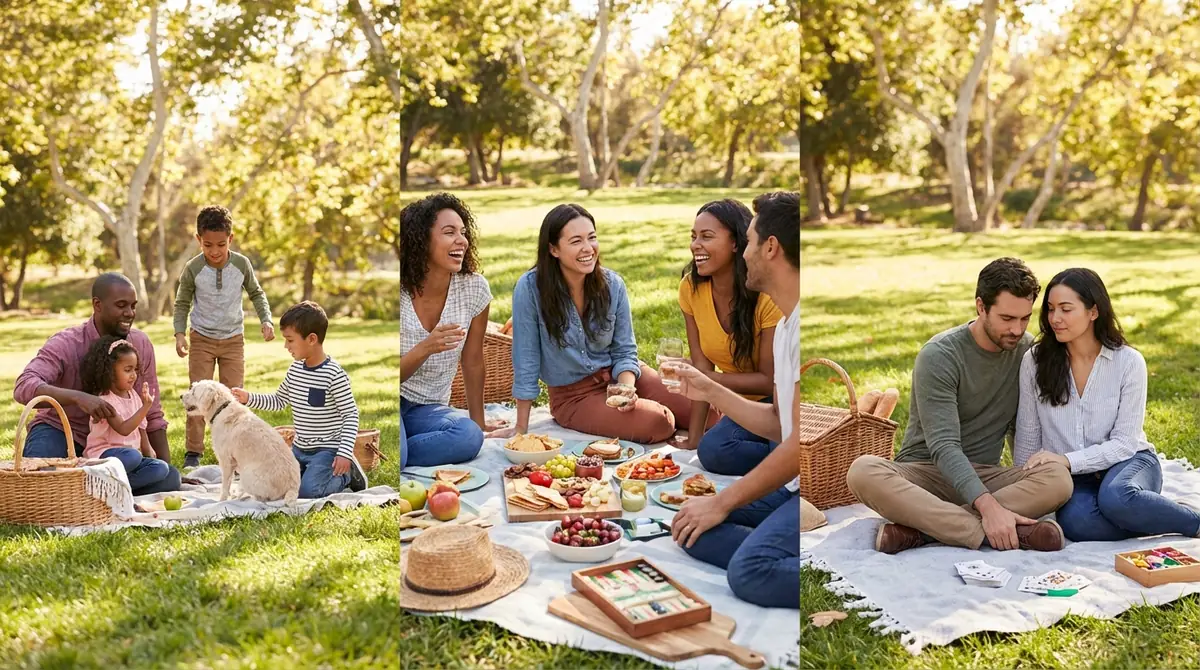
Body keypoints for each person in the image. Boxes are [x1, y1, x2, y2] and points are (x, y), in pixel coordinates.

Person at [846, 258, 1074, 554]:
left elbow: (1024, 427)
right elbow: (944, 446)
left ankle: (924, 532)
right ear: (981, 307)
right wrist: (988, 507)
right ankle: (1000, 531)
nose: (1017, 330)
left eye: (1024, 318)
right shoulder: (940, 355)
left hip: (985, 474)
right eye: (1007, 318)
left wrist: (1009, 487)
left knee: (1058, 478)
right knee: (862, 471)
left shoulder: (1027, 352)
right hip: (927, 475)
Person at [667, 191, 800, 609]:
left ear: (770, 247)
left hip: (799, 482)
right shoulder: (788, 327)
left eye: (749, 240)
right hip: (787, 481)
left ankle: (814, 563)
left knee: (749, 572)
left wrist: (724, 501)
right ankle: (775, 545)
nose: (745, 252)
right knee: (690, 524)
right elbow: (780, 424)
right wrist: (707, 388)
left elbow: (796, 446)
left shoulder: (793, 325)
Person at [1014, 268, 1200, 541]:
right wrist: (1025, 492)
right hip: (1074, 478)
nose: (1055, 318)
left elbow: (1125, 444)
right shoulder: (1034, 362)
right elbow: (1028, 436)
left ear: (1094, 311)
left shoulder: (1129, 362)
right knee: (1077, 523)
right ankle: (1150, 512)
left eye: (1066, 309)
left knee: (1117, 498)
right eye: (1050, 309)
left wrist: (1067, 460)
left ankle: (1191, 521)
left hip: (1130, 462)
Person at [505, 203, 692, 443]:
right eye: (576, 241)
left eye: (592, 238)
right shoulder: (530, 288)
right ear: (553, 249)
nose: (588, 248)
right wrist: (521, 427)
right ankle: (657, 418)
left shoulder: (613, 285)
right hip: (573, 396)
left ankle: (663, 416)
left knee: (705, 413)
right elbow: (526, 360)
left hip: (620, 375)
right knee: (660, 422)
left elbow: (625, 350)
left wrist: (626, 389)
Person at [14, 274, 181, 490]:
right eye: (121, 305)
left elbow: (153, 414)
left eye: (133, 306)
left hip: (114, 447)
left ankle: (89, 489)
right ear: (97, 305)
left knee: (170, 478)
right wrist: (78, 398)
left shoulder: (140, 344)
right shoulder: (66, 343)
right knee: (38, 484)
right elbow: (24, 386)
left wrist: (164, 465)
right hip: (60, 432)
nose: (130, 313)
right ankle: (87, 488)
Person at [676, 199, 782, 475]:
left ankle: (790, 456)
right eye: (694, 236)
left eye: (707, 236)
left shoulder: (766, 295)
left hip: (777, 403)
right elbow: (702, 367)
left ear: (736, 242)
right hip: (736, 405)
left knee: (725, 448)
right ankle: (784, 454)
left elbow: (769, 381)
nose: (695, 245)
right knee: (711, 449)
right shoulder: (691, 289)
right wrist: (694, 438)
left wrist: (708, 381)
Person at [399, 193, 498, 468]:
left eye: (463, 232)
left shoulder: (473, 288)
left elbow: (473, 361)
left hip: (428, 409)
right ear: (421, 240)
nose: (461, 240)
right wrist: (425, 348)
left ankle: (400, 447)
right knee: (401, 455)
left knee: (469, 435)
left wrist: (479, 423)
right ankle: (400, 449)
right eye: (449, 232)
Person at [174, 205, 275, 469]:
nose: (215, 251)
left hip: (233, 340)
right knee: (197, 395)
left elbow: (257, 293)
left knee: (233, 399)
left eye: (221, 244)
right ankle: (193, 452)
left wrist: (266, 319)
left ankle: (236, 452)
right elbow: (182, 302)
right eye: (208, 245)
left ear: (231, 238)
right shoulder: (193, 268)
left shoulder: (241, 264)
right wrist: (179, 334)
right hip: (202, 339)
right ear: (199, 240)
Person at [232, 301, 367, 497]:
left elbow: (351, 415)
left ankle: (346, 476)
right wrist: (248, 398)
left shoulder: (334, 375)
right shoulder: (295, 370)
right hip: (299, 448)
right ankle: (311, 474)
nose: (286, 346)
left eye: (290, 340)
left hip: (326, 450)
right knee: (282, 487)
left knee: (307, 492)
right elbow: (278, 401)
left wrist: (344, 453)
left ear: (311, 339)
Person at [80, 337, 178, 495]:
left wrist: (149, 452)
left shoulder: (134, 395)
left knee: (167, 471)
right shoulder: (105, 401)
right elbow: (123, 429)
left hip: (131, 460)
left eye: (135, 370)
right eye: (128, 370)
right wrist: (146, 407)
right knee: (132, 457)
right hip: (104, 457)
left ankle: (117, 489)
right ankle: (105, 485)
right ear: (111, 372)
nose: (133, 375)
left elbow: (141, 427)